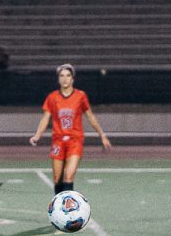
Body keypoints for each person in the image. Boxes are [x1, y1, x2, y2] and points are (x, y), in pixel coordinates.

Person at [29, 64, 112, 194]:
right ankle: (59, 208)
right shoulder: (52, 97)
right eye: (62, 76)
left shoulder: (80, 96)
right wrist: (37, 135)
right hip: (58, 141)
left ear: (73, 78)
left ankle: (68, 211)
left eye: (68, 75)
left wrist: (102, 134)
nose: (65, 79)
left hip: (75, 140)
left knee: (69, 175)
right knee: (57, 179)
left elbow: (90, 116)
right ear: (58, 79)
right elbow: (45, 118)